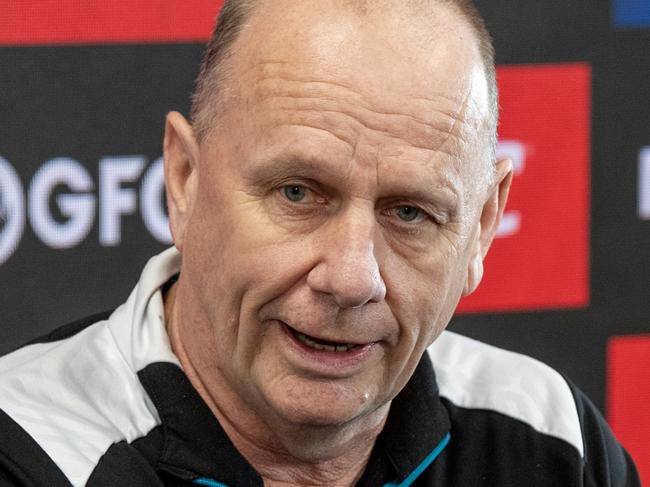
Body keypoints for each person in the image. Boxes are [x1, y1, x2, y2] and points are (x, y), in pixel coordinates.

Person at [0, 0, 640, 485]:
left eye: (410, 213)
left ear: (479, 227)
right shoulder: (26, 452)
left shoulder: (551, 439)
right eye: (298, 194)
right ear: (184, 181)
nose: (353, 277)